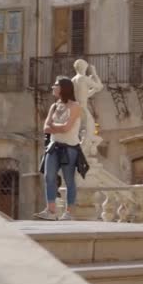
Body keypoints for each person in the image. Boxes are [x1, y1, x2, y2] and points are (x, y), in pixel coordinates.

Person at [34, 77, 85, 221]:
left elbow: (67, 128)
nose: (52, 87)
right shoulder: (54, 106)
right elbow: (45, 128)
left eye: (55, 85)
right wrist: (58, 128)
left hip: (70, 148)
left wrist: (53, 127)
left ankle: (69, 213)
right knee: (49, 177)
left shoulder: (75, 106)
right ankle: (51, 211)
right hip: (53, 147)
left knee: (69, 180)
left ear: (63, 88)